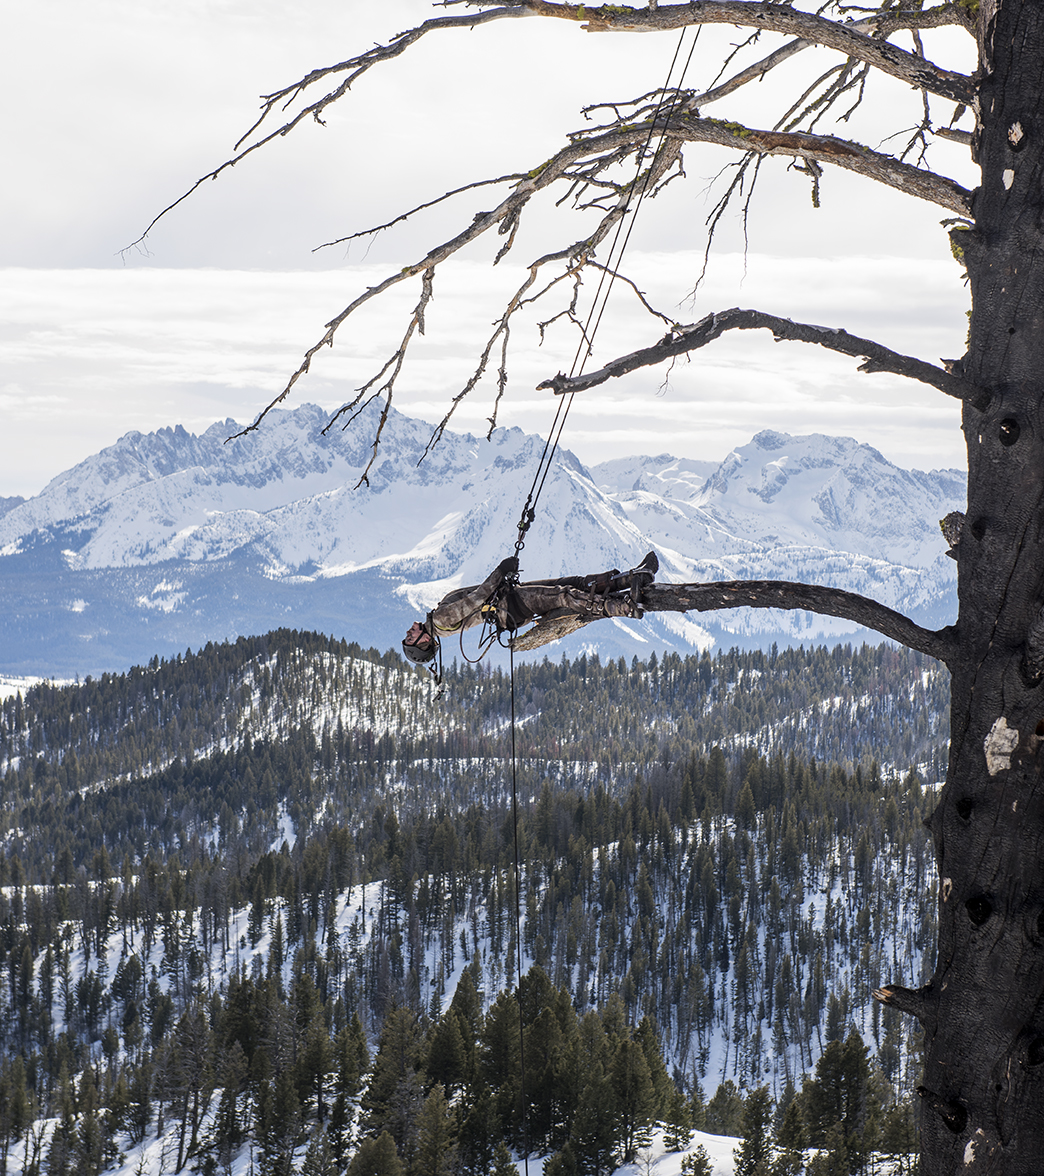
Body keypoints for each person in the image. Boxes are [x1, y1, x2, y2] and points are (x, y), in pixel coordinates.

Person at [401, 551, 659, 666]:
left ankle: (631, 578)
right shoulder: (441, 619)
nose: (410, 629)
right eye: (411, 636)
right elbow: (478, 599)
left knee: (569, 584)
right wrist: (499, 572)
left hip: (507, 601)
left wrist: (501, 579)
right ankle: (623, 606)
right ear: (424, 643)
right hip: (509, 604)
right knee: (565, 595)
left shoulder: (438, 625)